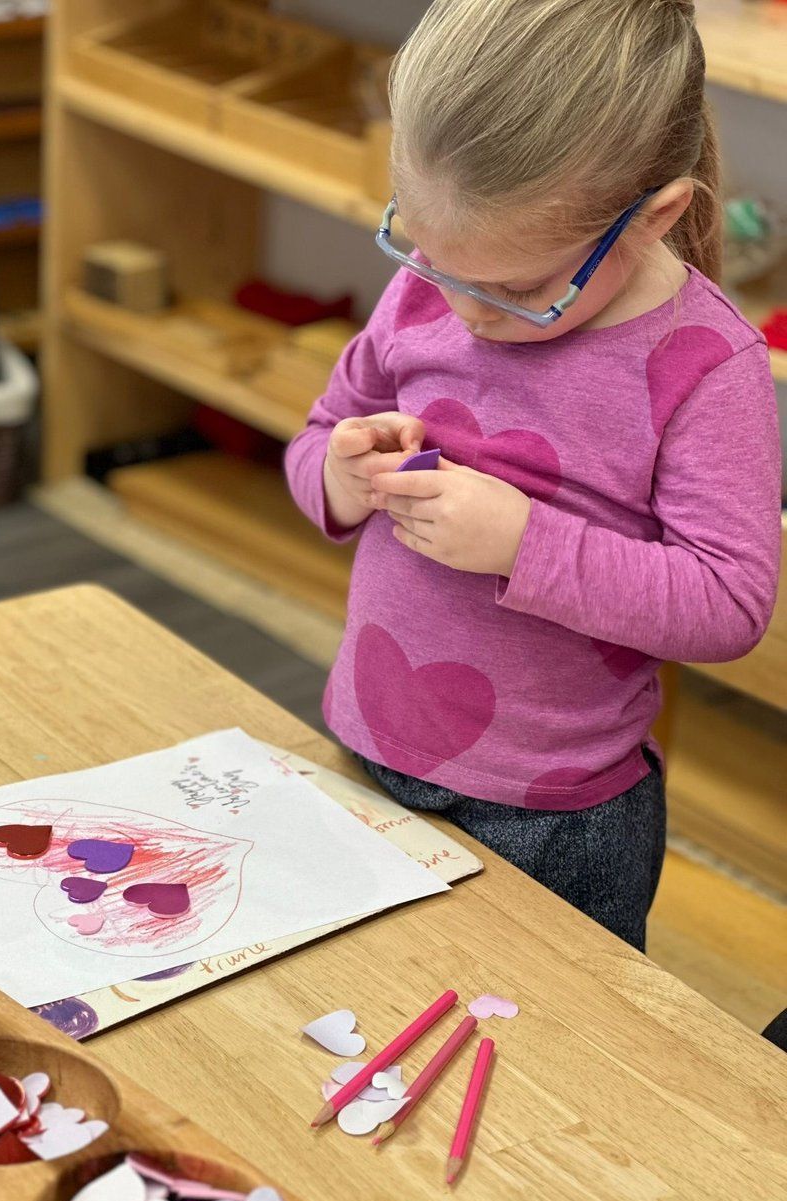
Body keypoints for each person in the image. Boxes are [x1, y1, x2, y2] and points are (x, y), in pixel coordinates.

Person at [284, 0, 781, 951]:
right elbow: (321, 433)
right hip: (369, 748)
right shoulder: (434, 284)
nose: (466, 312)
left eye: (516, 289)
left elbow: (728, 603)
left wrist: (524, 542)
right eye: (429, 253)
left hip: (557, 818)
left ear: (658, 215)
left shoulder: (707, 366)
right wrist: (340, 477)